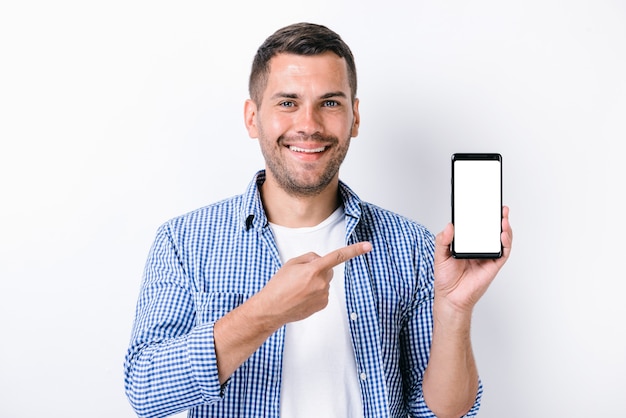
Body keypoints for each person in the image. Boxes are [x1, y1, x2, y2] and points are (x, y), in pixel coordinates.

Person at [124, 22, 513, 418]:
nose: (308, 125)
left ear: (354, 118)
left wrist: (455, 311)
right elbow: (145, 390)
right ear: (252, 117)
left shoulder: (410, 244)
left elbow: (444, 412)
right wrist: (267, 310)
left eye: (329, 103)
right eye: (287, 103)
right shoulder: (184, 241)